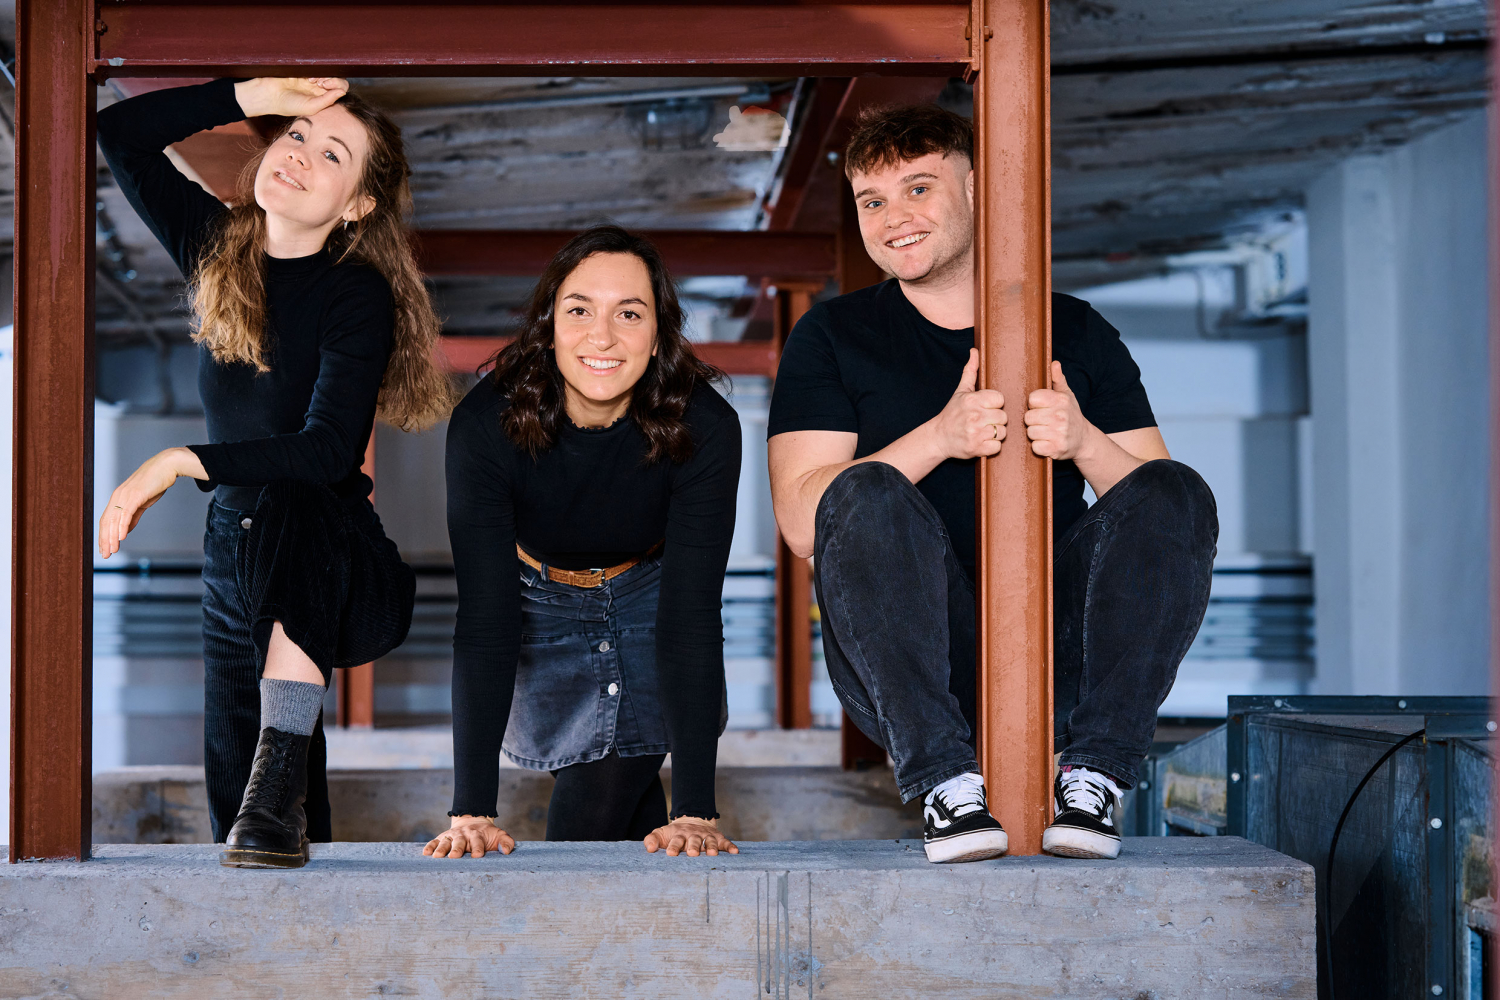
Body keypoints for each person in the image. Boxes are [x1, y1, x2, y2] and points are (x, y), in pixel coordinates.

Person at [767, 104, 1218, 863]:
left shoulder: (1076, 330)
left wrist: (1083, 442)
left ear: (980, 190)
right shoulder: (833, 336)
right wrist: (940, 437)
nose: (893, 218)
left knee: (1179, 486)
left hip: (1057, 656)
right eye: (872, 201)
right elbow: (802, 520)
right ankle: (945, 783)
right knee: (864, 489)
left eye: (918, 188)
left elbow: (1164, 514)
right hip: (906, 667)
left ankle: (1096, 774)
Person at [96, 77, 452, 869]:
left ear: (357, 205)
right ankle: (278, 838)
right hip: (233, 548)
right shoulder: (219, 250)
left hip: (334, 554)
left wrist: (180, 460)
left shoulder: (354, 293)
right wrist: (249, 92)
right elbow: (120, 133)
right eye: (295, 135)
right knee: (249, 809)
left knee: (294, 495)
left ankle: (274, 794)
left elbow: (326, 452)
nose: (299, 155)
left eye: (332, 154)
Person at [424, 225, 741, 861]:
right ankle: (650, 926)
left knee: (602, 786)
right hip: (536, 598)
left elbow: (691, 616)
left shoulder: (705, 426)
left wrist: (696, 811)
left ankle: (559, 924)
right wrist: (471, 811)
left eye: (630, 313)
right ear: (549, 327)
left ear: (659, 335)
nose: (603, 336)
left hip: (650, 592)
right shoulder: (486, 425)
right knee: (624, 799)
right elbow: (486, 619)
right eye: (579, 311)